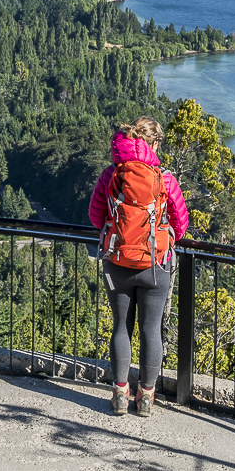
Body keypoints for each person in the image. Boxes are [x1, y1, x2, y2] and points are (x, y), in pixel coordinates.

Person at [86, 116, 189, 417]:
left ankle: (119, 394)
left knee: (121, 327)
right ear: (154, 143)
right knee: (151, 330)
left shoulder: (110, 175)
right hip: (155, 265)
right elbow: (181, 223)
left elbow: (95, 217)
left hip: (117, 261)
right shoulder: (164, 179)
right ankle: (145, 397)